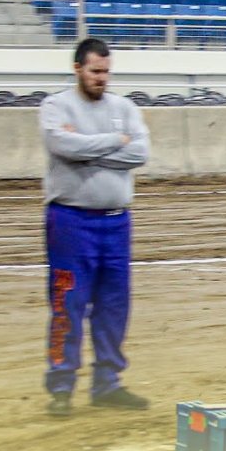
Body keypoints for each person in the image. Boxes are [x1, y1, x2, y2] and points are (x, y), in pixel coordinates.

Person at [39, 38, 151, 417]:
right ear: (77, 69)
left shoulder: (125, 107)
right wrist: (113, 144)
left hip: (116, 223)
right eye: (95, 71)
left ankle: (108, 384)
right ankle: (61, 386)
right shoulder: (55, 106)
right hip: (70, 222)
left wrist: (88, 148)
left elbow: (140, 153)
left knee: (114, 306)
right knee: (67, 304)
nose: (102, 78)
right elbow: (62, 145)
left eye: (106, 72)